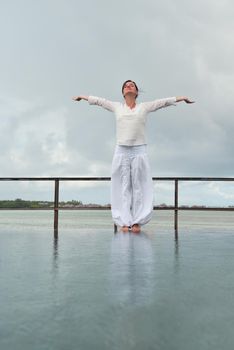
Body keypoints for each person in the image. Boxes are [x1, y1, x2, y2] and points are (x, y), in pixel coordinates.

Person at [73, 80, 194, 233]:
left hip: (139, 150)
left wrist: (181, 98)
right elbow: (99, 101)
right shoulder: (117, 107)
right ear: (123, 92)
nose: (128, 86)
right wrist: (82, 97)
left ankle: (137, 222)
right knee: (122, 186)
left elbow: (161, 102)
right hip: (121, 150)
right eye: (125, 85)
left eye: (132, 85)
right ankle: (124, 221)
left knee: (139, 186)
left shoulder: (144, 107)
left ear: (136, 92)